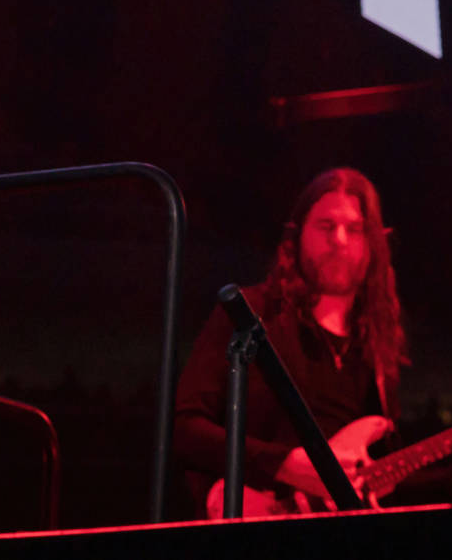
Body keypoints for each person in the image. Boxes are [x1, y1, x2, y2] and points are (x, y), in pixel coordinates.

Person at [171, 170, 407, 514]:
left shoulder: (374, 344)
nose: (339, 239)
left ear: (375, 244)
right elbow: (185, 428)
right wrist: (283, 465)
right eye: (326, 226)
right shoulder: (248, 315)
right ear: (296, 236)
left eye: (355, 229)